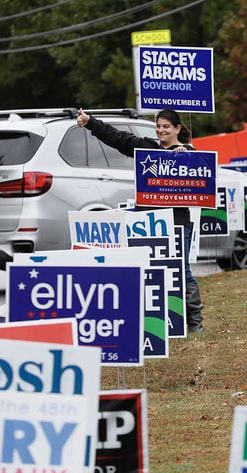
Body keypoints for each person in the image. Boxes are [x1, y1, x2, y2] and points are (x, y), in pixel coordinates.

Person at [77, 107, 204, 333]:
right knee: (149, 270)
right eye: (158, 126)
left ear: (177, 129)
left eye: (166, 126)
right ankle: (157, 323)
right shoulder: (146, 148)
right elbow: (117, 138)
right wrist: (90, 122)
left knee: (181, 271)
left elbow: (201, 173)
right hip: (148, 220)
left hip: (177, 221)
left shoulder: (189, 152)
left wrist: (185, 155)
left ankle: (195, 323)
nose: (161, 130)